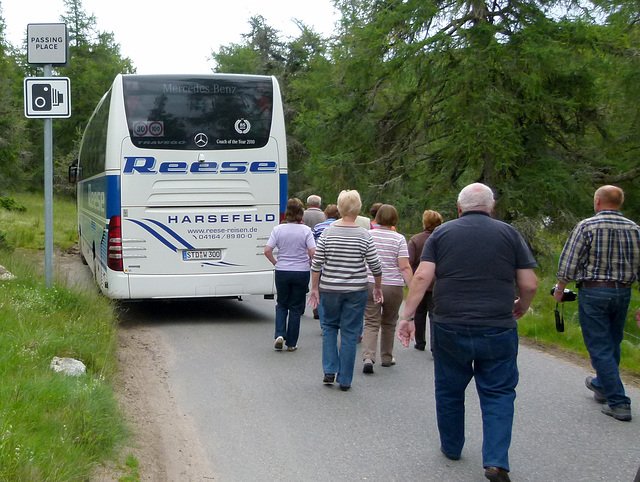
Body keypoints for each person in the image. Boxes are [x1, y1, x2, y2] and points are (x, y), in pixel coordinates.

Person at [397, 183, 538, 482]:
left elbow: (422, 276)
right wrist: (521, 306)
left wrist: (407, 316)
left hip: (450, 323)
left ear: (459, 208)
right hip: (497, 325)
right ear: (491, 207)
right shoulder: (510, 234)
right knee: (499, 392)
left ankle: (451, 446)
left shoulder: (442, 234)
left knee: (449, 388)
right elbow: (529, 284)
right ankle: (497, 461)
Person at [554, 185, 640, 422]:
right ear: (619, 203)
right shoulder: (635, 230)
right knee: (613, 341)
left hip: (594, 291)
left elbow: (570, 261)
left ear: (597, 202)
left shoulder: (587, 226)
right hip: (623, 292)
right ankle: (602, 384)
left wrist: (560, 288)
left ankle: (619, 402)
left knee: (599, 346)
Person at [308, 190, 383, 391]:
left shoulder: (328, 233)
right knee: (350, 333)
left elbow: (317, 264)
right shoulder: (364, 234)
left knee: (330, 327)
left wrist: (314, 289)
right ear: (358, 209)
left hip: (330, 288)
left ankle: (330, 369)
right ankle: (346, 379)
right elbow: (375, 265)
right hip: (356, 290)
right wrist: (377, 287)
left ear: (339, 209)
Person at [362, 204, 413, 373]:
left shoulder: (368, 235)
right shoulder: (399, 239)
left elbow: (362, 259)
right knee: (389, 322)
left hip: (370, 282)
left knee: (370, 321)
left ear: (377, 218)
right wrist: (412, 287)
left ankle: (368, 356)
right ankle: (386, 356)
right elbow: (404, 267)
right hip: (393, 285)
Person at [264, 198, 316, 351]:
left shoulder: (278, 229)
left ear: (287, 212)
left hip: (282, 270)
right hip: (301, 271)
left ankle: (280, 334)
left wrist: (275, 262)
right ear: (301, 213)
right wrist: (310, 262)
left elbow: (267, 250)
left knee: (281, 304)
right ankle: (292, 343)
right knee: (295, 307)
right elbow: (313, 251)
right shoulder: (306, 230)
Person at [407, 209, 443, 352]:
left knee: (420, 313)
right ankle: (435, 345)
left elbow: (409, 261)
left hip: (420, 281)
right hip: (437, 283)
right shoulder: (442, 239)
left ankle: (420, 342)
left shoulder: (416, 240)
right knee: (435, 315)